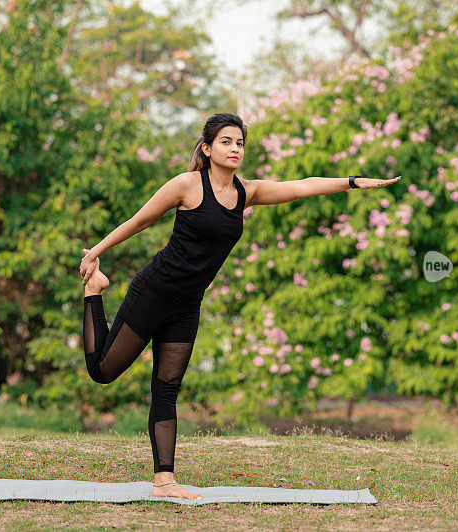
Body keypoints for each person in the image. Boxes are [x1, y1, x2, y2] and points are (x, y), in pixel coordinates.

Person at [79, 112, 401, 500]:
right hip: (154, 292)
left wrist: (350, 182)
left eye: (240, 143)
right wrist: (95, 254)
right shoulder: (186, 185)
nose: (235, 149)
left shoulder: (246, 192)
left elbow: (301, 187)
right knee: (103, 372)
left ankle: (164, 481)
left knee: (166, 388)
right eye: (227, 142)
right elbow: (138, 221)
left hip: (187, 306)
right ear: (207, 148)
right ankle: (94, 292)